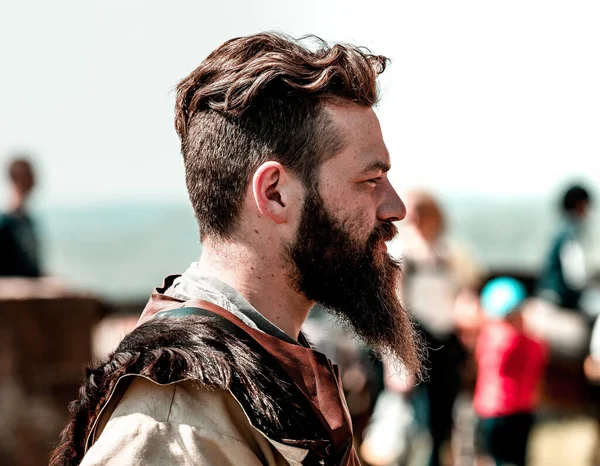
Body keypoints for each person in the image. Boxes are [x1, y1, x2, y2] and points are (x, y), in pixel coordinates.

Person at [50, 33, 423, 466]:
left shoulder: (269, 359)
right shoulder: (176, 422)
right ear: (275, 193)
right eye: (370, 180)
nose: (395, 208)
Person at [474, 277, 548, 466]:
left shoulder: (494, 337)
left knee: (493, 460)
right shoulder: (533, 343)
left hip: (493, 412)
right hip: (523, 410)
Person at [537, 184, 593, 312]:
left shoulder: (561, 229)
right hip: (556, 304)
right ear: (580, 205)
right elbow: (575, 277)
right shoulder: (570, 234)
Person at [0, 157, 41, 277]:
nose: (34, 182)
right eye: (30, 176)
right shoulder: (5, 223)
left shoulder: (28, 221)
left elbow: (32, 268)